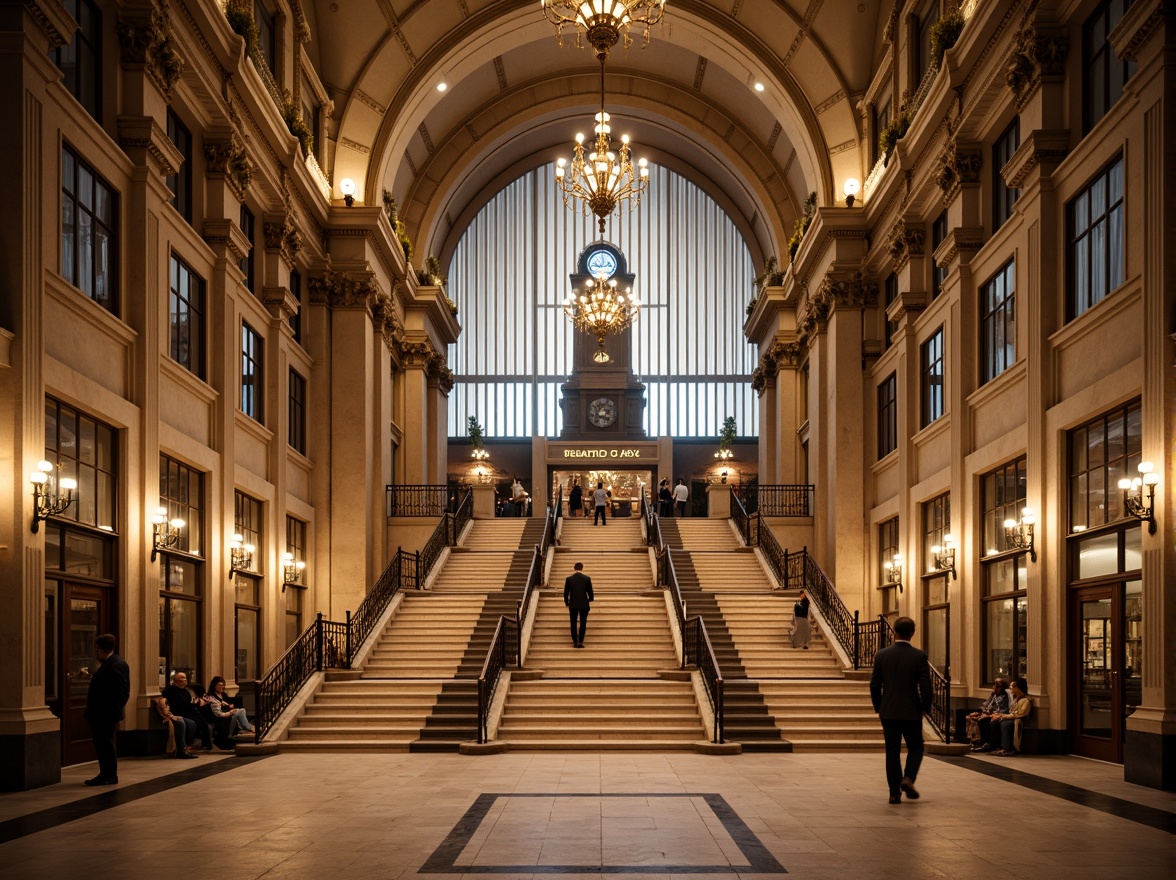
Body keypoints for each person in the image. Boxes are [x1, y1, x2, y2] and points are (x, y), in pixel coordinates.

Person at [869, 616, 933, 804]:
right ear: (912, 633)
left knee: (892, 751)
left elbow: (874, 684)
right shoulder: (918, 656)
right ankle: (908, 778)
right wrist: (925, 707)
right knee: (916, 747)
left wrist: (879, 706)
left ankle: (894, 793)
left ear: (894, 631)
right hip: (911, 710)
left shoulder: (881, 655)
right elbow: (926, 685)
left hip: (888, 710)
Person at [83, 633, 130, 786]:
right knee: (102, 744)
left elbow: (123, 691)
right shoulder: (110, 663)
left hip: (106, 713)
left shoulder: (116, 664)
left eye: (97, 649)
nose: (96, 652)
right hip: (100, 713)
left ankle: (108, 775)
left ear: (102, 649)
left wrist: (114, 711)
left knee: (105, 745)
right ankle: (106, 773)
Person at [163, 671, 213, 751]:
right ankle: (187, 745)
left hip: (190, 711)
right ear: (175, 681)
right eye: (181, 680)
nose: (183, 682)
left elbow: (189, 702)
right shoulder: (171, 691)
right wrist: (197, 703)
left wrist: (197, 702)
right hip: (180, 713)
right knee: (193, 723)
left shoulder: (185, 690)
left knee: (205, 724)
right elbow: (181, 705)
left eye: (185, 680)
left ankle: (206, 745)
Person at [984, 676, 1032, 756]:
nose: (1011, 690)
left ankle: (1007, 748)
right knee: (994, 723)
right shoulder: (1014, 698)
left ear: (1018, 688)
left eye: (1012, 688)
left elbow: (1019, 713)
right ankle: (997, 746)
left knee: (1005, 724)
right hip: (1010, 716)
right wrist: (1000, 715)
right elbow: (1010, 710)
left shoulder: (1026, 700)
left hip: (1017, 720)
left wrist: (1003, 716)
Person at [965, 678, 1009, 750]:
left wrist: (990, 713)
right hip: (990, 713)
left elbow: (1001, 709)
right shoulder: (993, 695)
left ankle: (985, 742)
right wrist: (984, 710)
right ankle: (974, 740)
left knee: (983, 721)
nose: (995, 688)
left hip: (998, 714)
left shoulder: (1004, 696)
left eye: (998, 686)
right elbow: (987, 704)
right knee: (970, 717)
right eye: (995, 685)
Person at [564, 561, 594, 648]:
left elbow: (566, 593)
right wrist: (590, 599)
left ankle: (575, 641)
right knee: (583, 622)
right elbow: (590, 591)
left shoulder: (569, 579)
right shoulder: (587, 578)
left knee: (573, 622)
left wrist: (567, 602)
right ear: (582, 568)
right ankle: (580, 641)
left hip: (573, 604)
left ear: (574, 568)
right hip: (584, 604)